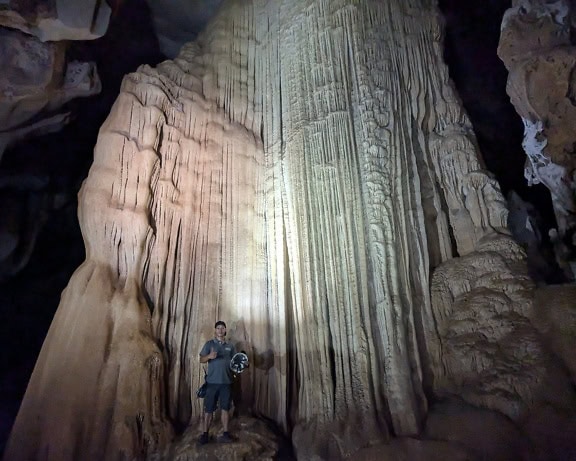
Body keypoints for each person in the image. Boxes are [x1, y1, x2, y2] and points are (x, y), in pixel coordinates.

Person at [198, 320, 236, 444]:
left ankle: (225, 433)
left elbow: (236, 362)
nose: (220, 330)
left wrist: (242, 365)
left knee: (225, 408)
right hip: (212, 383)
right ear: (215, 330)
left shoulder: (231, 346)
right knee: (208, 409)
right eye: (218, 328)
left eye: (222, 328)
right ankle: (205, 434)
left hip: (226, 382)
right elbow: (201, 359)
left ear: (225, 330)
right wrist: (209, 356)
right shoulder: (209, 344)